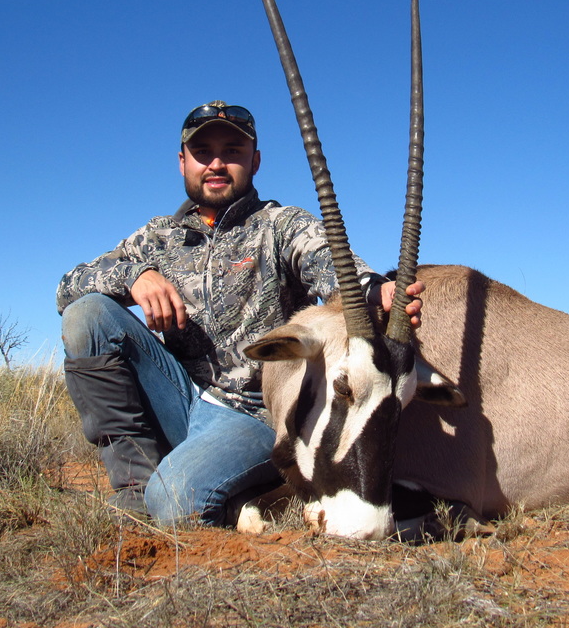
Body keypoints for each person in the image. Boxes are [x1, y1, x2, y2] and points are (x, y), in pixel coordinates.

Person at [57, 100, 422, 525]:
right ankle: (136, 490)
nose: (216, 163)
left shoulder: (282, 225)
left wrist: (374, 289)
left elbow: (330, 264)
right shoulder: (157, 236)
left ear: (255, 160)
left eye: (232, 151)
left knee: (175, 503)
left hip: (251, 415)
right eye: (203, 152)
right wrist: (135, 277)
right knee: (88, 316)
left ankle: (261, 487)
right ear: (182, 162)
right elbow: (68, 286)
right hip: (178, 395)